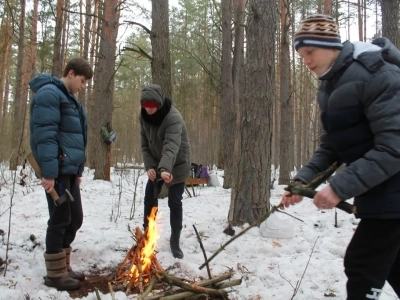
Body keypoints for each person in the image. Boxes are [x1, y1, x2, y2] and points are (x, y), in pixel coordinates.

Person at [281, 14, 400, 299]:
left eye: (310, 51)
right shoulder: (331, 86)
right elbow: (331, 147)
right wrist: (302, 181)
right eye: (301, 54)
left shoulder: (376, 74)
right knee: (392, 266)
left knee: (362, 266)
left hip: (394, 193)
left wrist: (339, 187)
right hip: (380, 192)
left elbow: (394, 146)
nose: (305, 60)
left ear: (331, 45)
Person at [29, 58, 93, 290]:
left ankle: (63, 267)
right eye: (83, 81)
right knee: (60, 219)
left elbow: (74, 137)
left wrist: (77, 169)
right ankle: (55, 275)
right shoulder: (49, 94)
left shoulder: (70, 99)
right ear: (71, 73)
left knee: (75, 218)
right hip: (56, 171)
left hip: (68, 170)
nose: (83, 86)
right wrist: (49, 173)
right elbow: (45, 134)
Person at [139, 84, 191, 259]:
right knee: (149, 198)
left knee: (174, 202)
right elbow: (145, 145)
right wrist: (151, 167)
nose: (149, 109)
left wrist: (164, 169)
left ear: (159, 103)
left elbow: (171, 147)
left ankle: (175, 240)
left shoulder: (173, 118)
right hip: (157, 164)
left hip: (176, 163)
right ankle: (147, 235)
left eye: (152, 105)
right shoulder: (143, 117)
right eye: (146, 106)